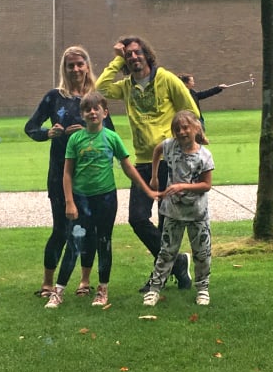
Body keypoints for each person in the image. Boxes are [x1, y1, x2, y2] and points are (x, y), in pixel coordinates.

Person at [96, 36, 198, 289]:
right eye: (128, 54)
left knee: (166, 223)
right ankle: (177, 263)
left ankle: (161, 276)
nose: (133, 57)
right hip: (143, 161)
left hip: (170, 160)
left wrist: (185, 145)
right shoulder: (126, 86)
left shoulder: (166, 79)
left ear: (147, 55)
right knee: (137, 218)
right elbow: (100, 89)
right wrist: (117, 59)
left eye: (137, 52)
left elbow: (190, 112)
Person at [45, 91, 158, 309]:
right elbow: (67, 173)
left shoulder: (112, 137)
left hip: (105, 199)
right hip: (81, 199)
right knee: (74, 243)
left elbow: (127, 166)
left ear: (105, 113)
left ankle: (102, 289)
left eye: (96, 109)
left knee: (103, 242)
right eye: (87, 109)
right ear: (82, 115)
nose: (92, 112)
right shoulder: (75, 139)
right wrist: (69, 201)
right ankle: (58, 291)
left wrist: (146, 189)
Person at [24, 46, 112, 299]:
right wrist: (48, 133)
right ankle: (47, 283)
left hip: (90, 176)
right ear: (64, 68)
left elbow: (109, 133)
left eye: (79, 64)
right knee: (61, 230)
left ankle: (84, 281)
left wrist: (86, 129)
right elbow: (31, 127)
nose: (75, 69)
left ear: (87, 66)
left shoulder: (94, 99)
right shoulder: (54, 97)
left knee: (89, 230)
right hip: (60, 173)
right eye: (70, 65)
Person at [142, 111, 214, 309]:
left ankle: (202, 289)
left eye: (185, 128)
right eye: (177, 129)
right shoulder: (170, 146)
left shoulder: (204, 156)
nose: (181, 132)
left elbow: (206, 185)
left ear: (196, 128)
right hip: (172, 212)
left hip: (197, 213)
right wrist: (154, 176)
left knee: (202, 253)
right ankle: (155, 289)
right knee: (166, 252)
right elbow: (157, 151)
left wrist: (183, 186)